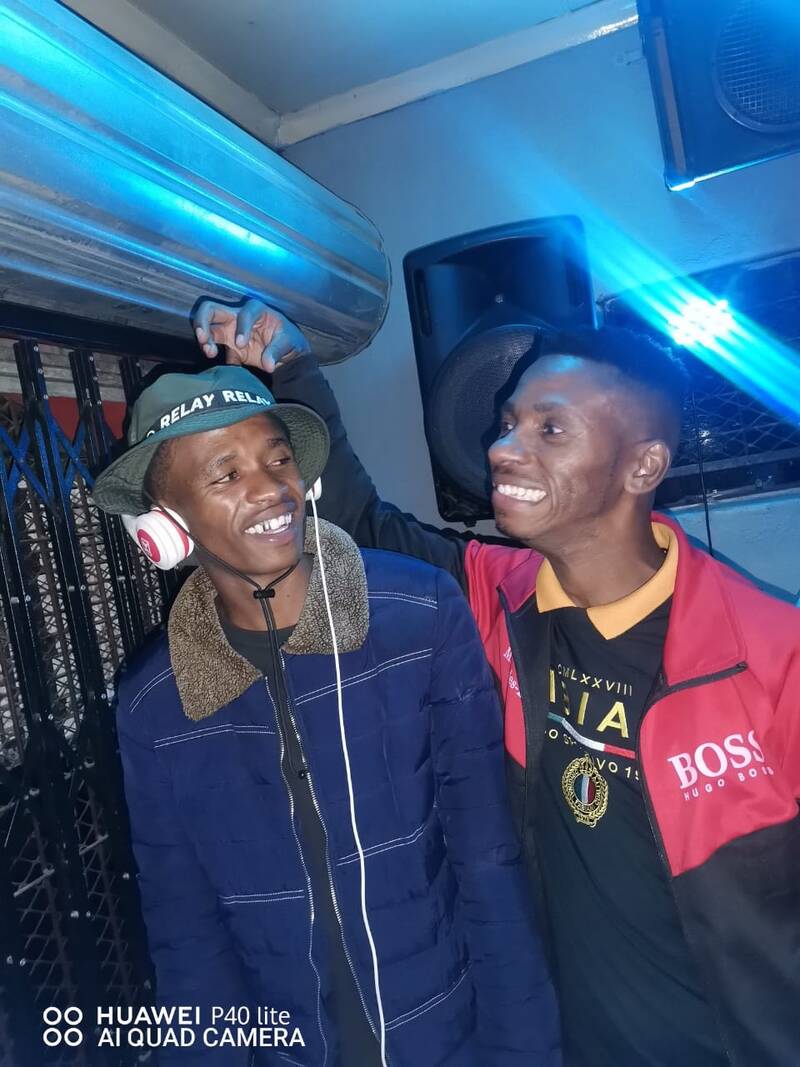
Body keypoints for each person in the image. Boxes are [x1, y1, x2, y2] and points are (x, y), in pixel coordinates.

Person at [192, 298, 800, 1067]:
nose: (502, 448)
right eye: (509, 422)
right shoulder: (501, 595)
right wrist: (293, 367)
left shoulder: (773, 656)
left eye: (550, 429)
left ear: (642, 466)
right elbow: (356, 530)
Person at [93, 363, 559, 1066]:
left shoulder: (420, 614)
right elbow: (185, 932)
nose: (270, 488)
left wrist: (525, 1052)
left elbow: (490, 861)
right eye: (226, 474)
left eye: (278, 459)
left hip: (452, 1040)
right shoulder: (153, 702)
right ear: (165, 525)